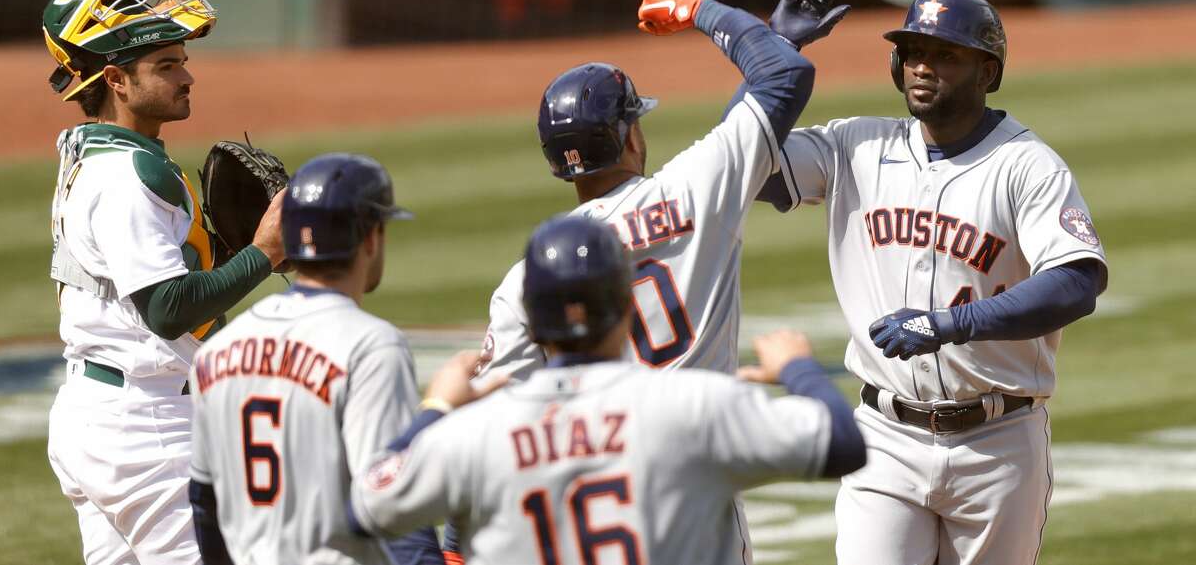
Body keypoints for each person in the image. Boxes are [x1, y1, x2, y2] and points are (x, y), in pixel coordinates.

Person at [756, 0, 1109, 565]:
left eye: (946, 55)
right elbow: (743, 158)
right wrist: (775, 52)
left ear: (987, 72)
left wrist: (949, 323)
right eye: (913, 51)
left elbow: (1076, 281)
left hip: (998, 445)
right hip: (885, 439)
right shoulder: (854, 146)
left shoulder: (1027, 165)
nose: (923, 66)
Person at [350, 214, 867, 565]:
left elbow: (368, 504)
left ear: (531, 324)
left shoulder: (476, 432)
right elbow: (842, 443)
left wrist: (437, 406)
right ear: (626, 308)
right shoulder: (691, 404)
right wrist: (799, 368)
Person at [476, 0, 849, 380]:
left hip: (610, 441)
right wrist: (698, 8)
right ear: (631, 138)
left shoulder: (529, 277)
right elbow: (782, 77)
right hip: (708, 433)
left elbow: (491, 399)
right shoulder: (691, 191)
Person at [43, 0, 286, 564]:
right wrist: (264, 250)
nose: (187, 77)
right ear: (116, 81)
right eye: (166, 64)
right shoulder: (127, 176)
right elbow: (168, 308)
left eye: (183, 61)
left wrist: (217, 254)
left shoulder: (89, 152)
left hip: (99, 415)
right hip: (145, 431)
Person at [186, 154, 445, 565]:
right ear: (372, 238)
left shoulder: (216, 353)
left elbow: (204, 502)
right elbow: (393, 507)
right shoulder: (371, 346)